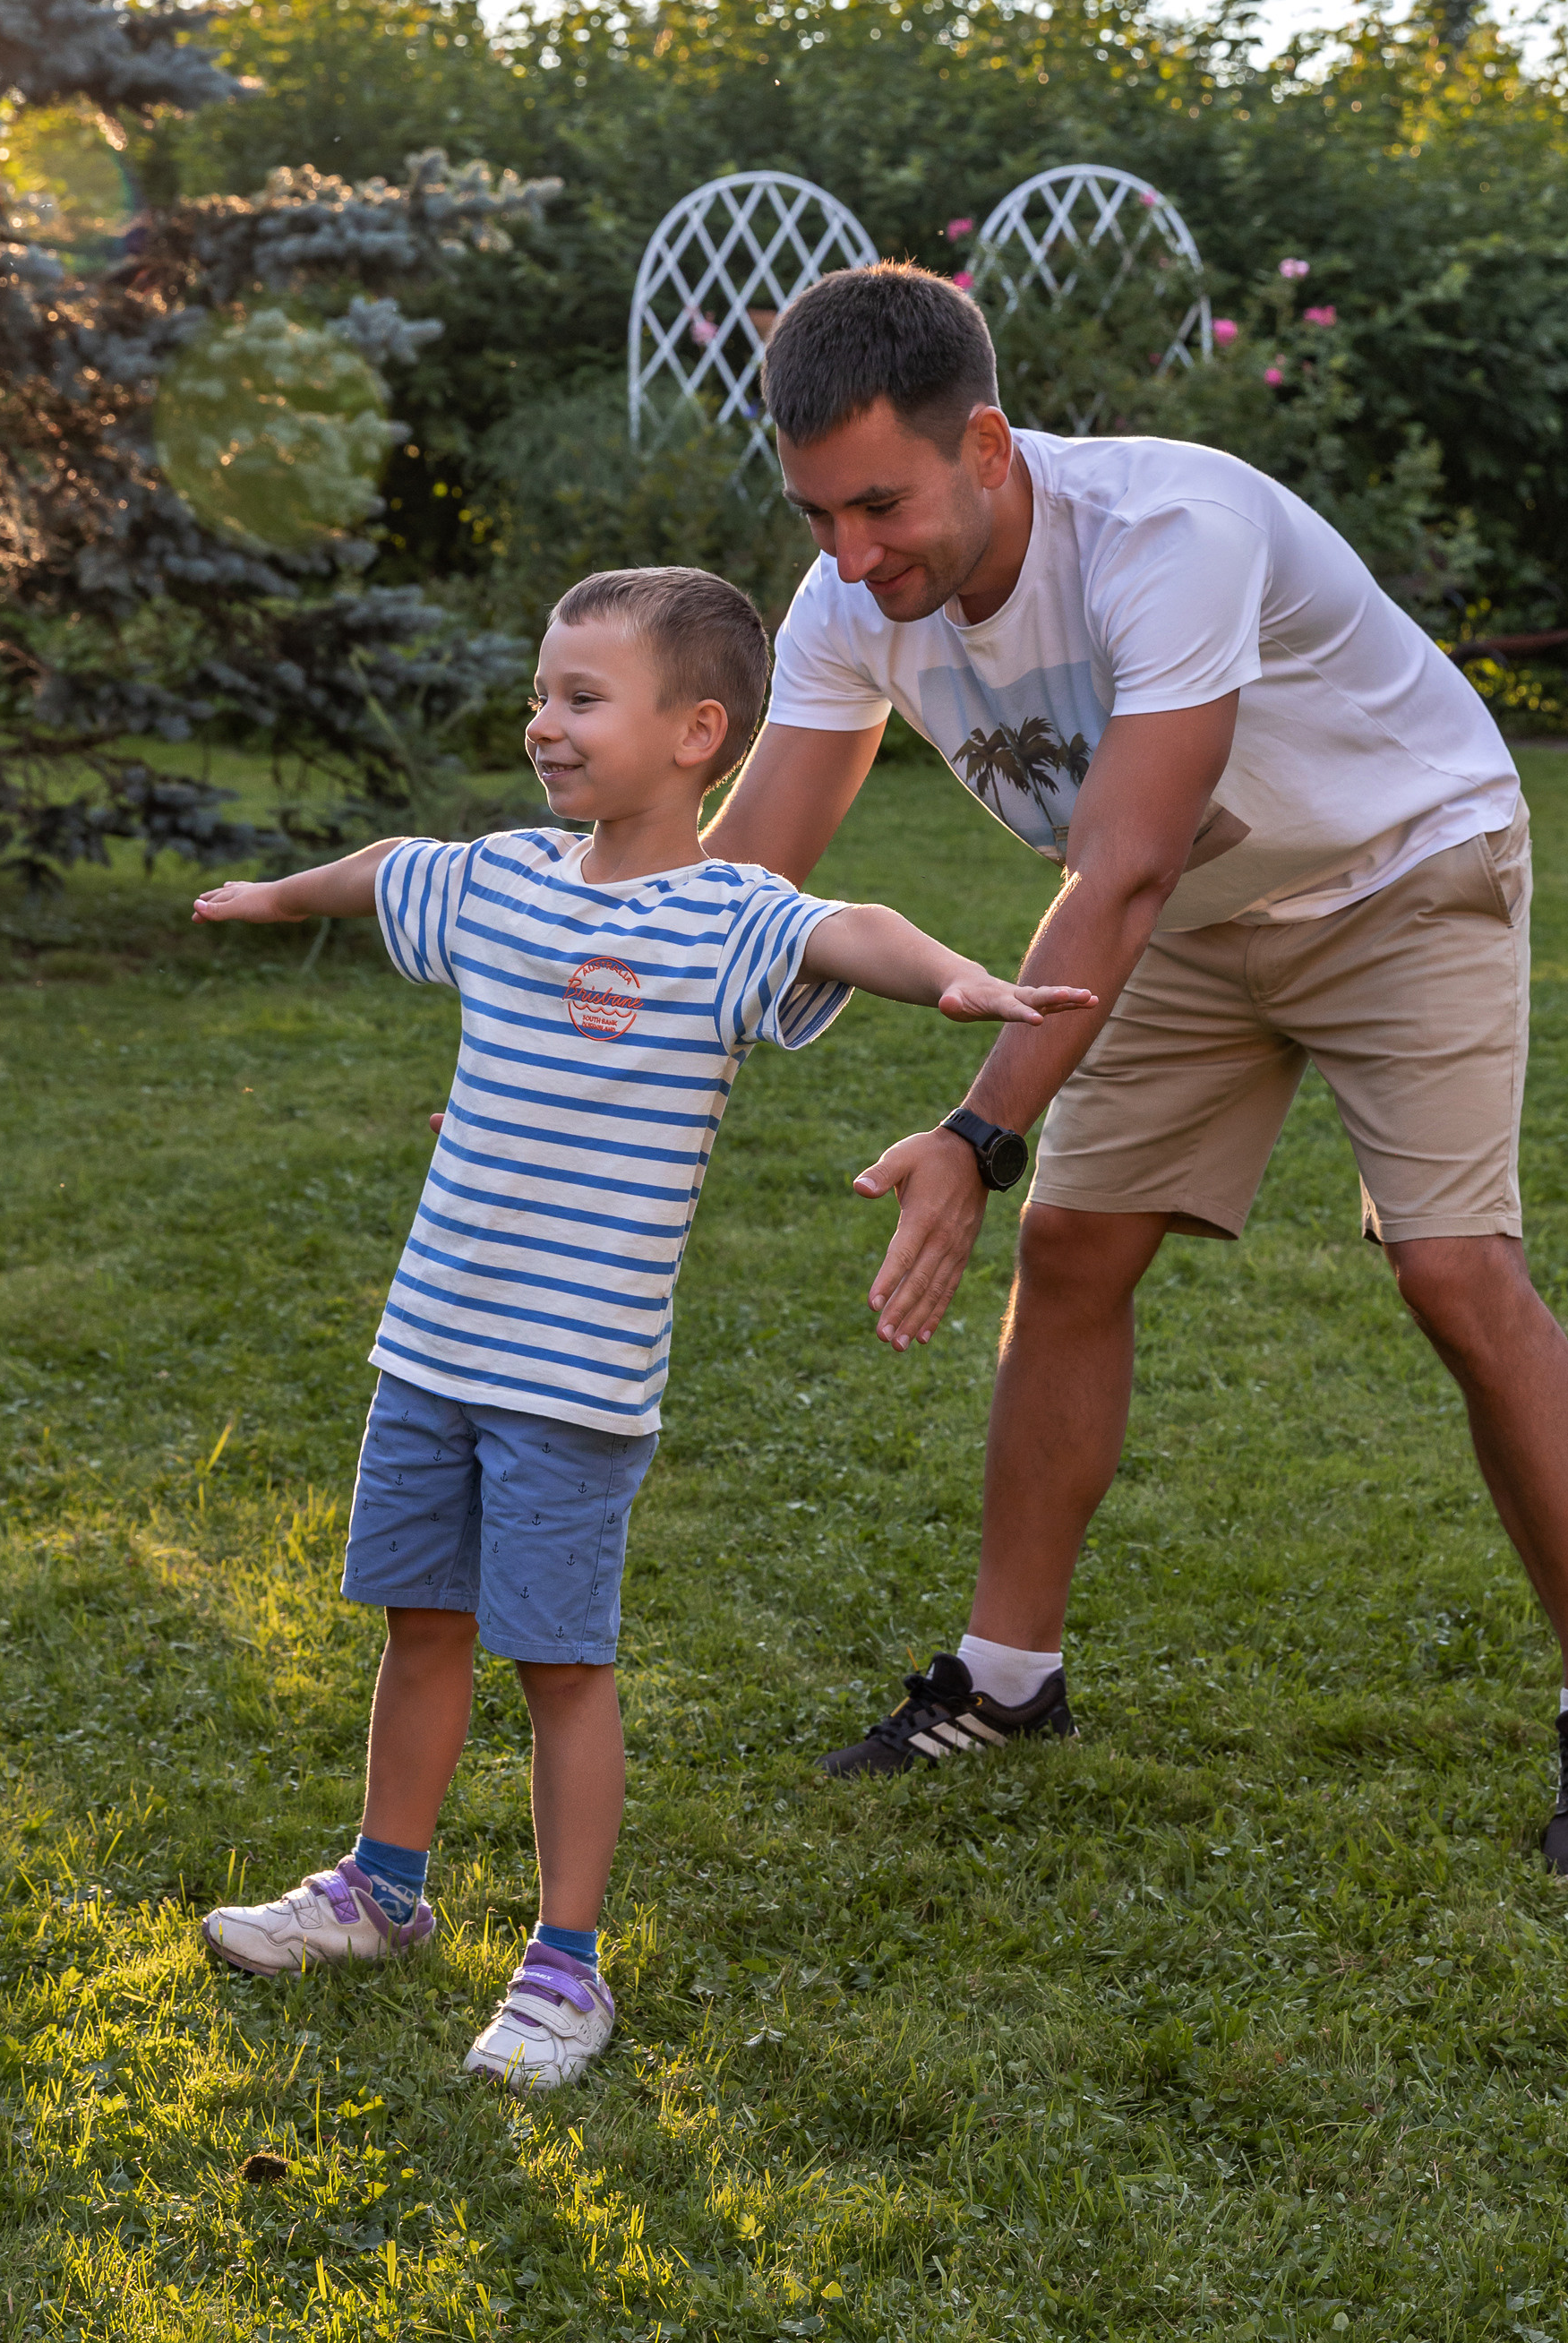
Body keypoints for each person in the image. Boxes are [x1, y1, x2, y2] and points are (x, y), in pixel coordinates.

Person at [702, 264, 1568, 1881]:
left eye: (878, 506)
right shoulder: (844, 609)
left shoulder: (1167, 534)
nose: (852, 560)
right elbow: (741, 879)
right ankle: (1008, 1679)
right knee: (1074, 1250)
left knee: (1450, 1272)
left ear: (988, 445)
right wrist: (568, 1036)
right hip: (1171, 911)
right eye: (815, 519)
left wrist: (972, 1132)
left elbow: (1126, 866)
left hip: (1395, 866)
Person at [190, 564, 1093, 2086]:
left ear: (697, 733)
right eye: (543, 693)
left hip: (574, 1381)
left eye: (581, 698)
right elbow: (387, 866)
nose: (544, 723)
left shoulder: (723, 918)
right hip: (431, 1352)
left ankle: (565, 1968)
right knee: (420, 1628)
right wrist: (280, 895)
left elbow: (851, 922)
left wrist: (950, 983)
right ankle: (381, 1890)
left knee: (560, 1666)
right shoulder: (502, 877)